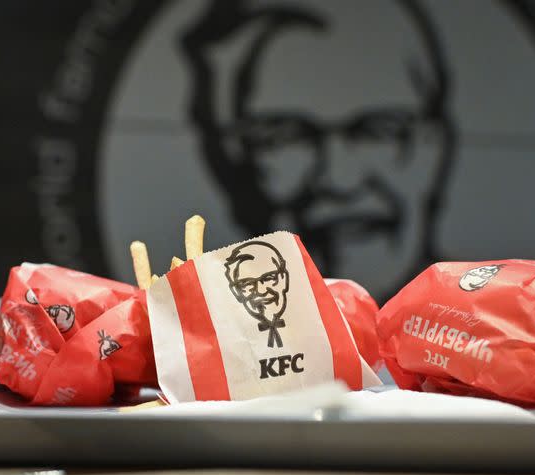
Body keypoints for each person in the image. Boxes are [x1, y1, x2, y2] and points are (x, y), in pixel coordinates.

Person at [180, 0, 455, 298]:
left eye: (378, 132)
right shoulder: (201, 338)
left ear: (435, 147)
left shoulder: (491, 335)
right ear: (230, 159)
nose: (340, 181)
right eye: (288, 138)